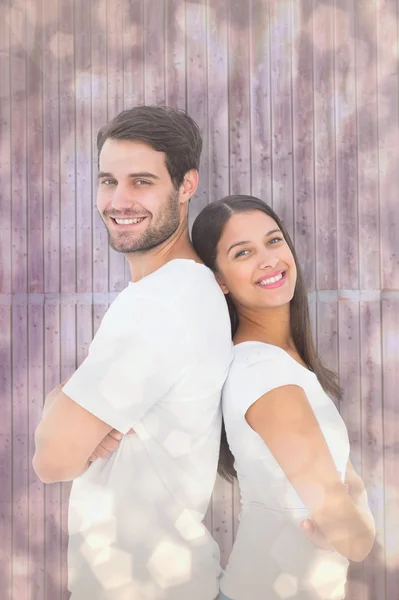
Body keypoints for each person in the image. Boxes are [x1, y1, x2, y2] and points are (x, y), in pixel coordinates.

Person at [32, 106, 233, 600]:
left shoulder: (163, 302)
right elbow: (64, 441)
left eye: (141, 181)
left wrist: (66, 414)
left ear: (186, 185)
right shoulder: (170, 291)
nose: (118, 200)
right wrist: (71, 411)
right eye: (108, 181)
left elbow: (52, 459)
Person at [191, 195, 376, 600]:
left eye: (274, 241)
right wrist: (359, 516)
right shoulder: (265, 373)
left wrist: (353, 511)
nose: (269, 259)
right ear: (219, 280)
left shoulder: (281, 363)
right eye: (243, 252)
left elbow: (345, 508)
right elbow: (353, 538)